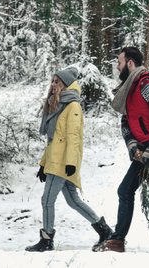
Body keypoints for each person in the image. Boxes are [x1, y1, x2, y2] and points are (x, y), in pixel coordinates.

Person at [26, 66, 113, 252]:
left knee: (47, 200)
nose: (53, 85)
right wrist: (43, 164)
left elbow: (73, 137)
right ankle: (105, 231)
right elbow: (53, 141)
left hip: (63, 163)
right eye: (52, 81)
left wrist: (71, 163)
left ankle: (46, 239)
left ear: (66, 84)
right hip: (55, 161)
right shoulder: (57, 105)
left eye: (57, 81)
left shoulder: (72, 106)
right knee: (73, 201)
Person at [100, 47, 149, 252]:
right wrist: (132, 146)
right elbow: (125, 121)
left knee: (127, 190)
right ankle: (118, 240)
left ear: (130, 63)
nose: (117, 67)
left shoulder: (145, 83)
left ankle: (118, 241)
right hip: (142, 149)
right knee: (143, 193)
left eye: (119, 63)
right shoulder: (129, 88)